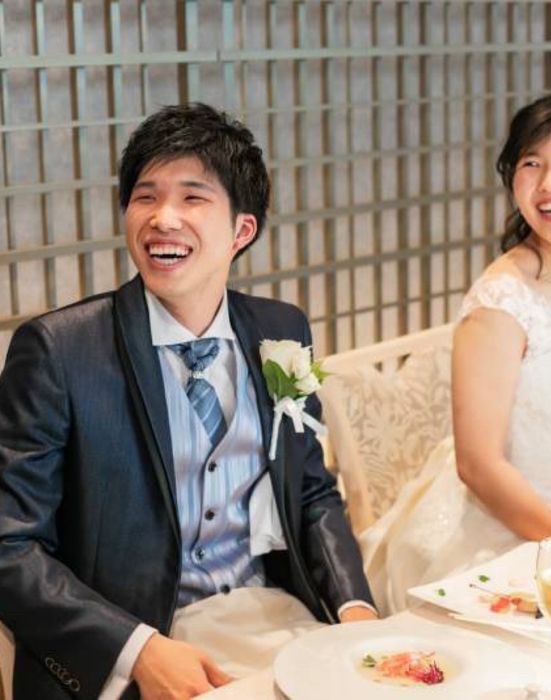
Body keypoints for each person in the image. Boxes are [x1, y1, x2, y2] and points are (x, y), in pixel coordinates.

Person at [0, 103, 376, 700]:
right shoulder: (59, 350)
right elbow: (10, 545)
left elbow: (310, 492)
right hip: (137, 643)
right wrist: (138, 650)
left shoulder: (281, 330)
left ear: (241, 231)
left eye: (192, 198)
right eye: (145, 197)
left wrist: (355, 610)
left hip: (274, 618)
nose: (162, 218)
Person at [361, 90, 551, 613]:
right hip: (499, 529)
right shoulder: (501, 300)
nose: (548, 183)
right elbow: (479, 464)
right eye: (531, 163)